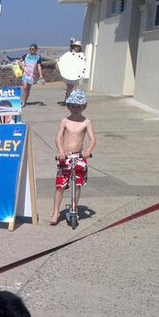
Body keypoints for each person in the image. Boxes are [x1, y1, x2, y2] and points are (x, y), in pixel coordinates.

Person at [50, 89, 96, 225]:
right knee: (60, 185)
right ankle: (55, 212)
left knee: (77, 184)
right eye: (73, 106)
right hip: (65, 157)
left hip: (79, 156)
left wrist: (88, 150)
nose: (76, 109)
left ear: (84, 107)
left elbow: (92, 139)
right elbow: (58, 138)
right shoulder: (65, 121)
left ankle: (74, 207)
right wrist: (61, 151)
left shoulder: (86, 122)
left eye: (79, 106)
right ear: (69, 106)